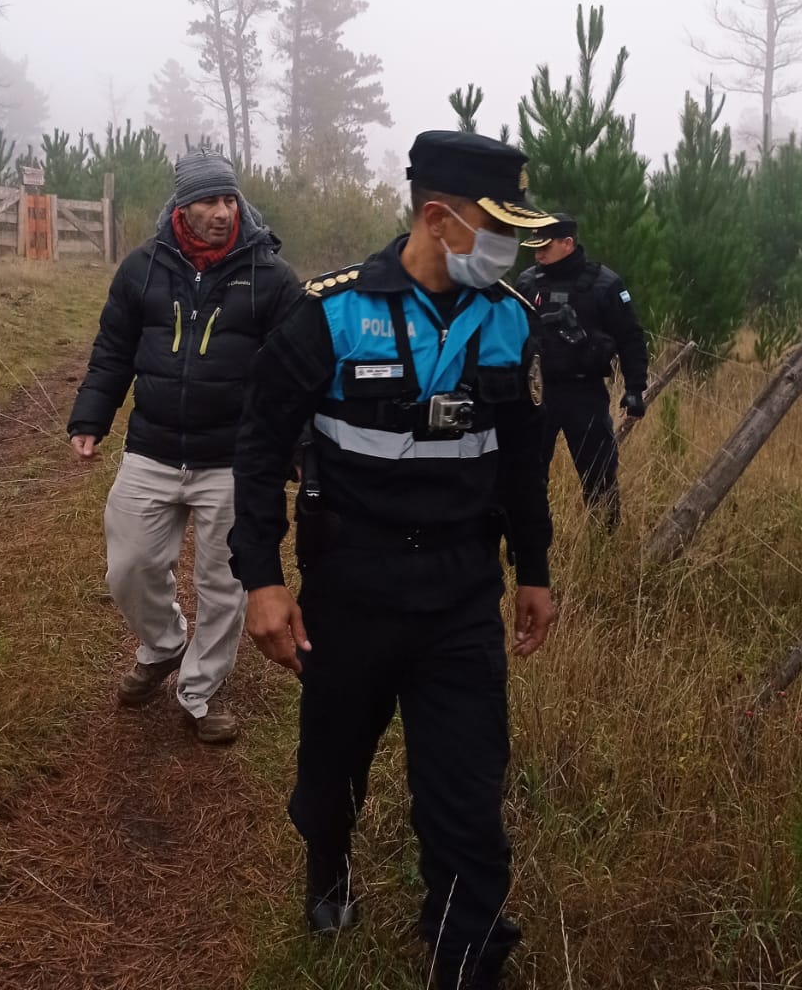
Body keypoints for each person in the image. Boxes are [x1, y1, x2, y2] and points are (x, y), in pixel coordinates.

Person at [229, 130, 557, 989]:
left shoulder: (510, 321)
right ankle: (328, 861)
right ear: (438, 219)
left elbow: (523, 462)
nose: (510, 247)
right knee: (331, 775)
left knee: (466, 801)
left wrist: (534, 568)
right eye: (498, 228)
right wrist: (262, 579)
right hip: (352, 592)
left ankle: (465, 959)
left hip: (460, 598)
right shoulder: (330, 314)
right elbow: (258, 449)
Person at [68, 147, 299, 743]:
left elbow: (294, 372)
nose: (222, 212)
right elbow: (113, 350)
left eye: (229, 199)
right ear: (182, 205)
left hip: (233, 460)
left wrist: (296, 447)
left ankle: (199, 689)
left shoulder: (271, 276)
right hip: (152, 447)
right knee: (130, 566)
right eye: (208, 201)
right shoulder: (143, 268)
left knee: (226, 582)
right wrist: (91, 416)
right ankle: (165, 643)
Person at [516, 213, 649, 529]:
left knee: (600, 476)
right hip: (538, 393)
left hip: (585, 395)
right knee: (527, 475)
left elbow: (630, 337)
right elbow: (511, 337)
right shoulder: (527, 283)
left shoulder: (604, 284)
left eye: (545, 247)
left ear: (567, 243)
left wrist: (634, 389)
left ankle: (603, 544)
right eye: (535, 248)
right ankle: (529, 542)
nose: (538, 255)